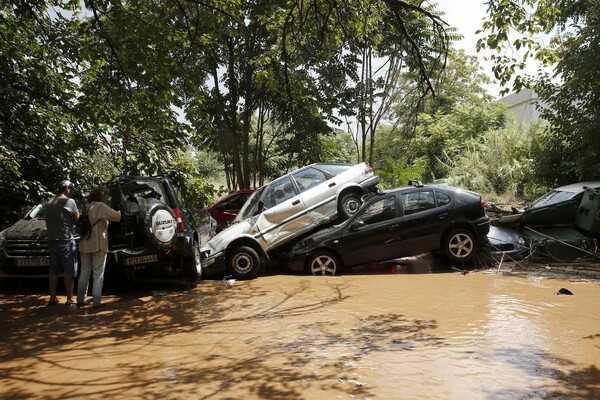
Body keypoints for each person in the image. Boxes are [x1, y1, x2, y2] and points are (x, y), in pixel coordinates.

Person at [77, 185, 121, 309]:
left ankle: (80, 300)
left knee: (84, 272)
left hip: (84, 243)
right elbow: (117, 216)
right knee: (98, 273)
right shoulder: (101, 206)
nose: (107, 197)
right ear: (102, 195)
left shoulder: (86, 207)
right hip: (98, 243)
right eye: (106, 195)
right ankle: (96, 302)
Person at [45, 180, 79, 306]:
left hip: (52, 241)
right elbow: (78, 220)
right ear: (66, 188)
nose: (71, 192)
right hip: (65, 241)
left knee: (53, 271)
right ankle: (70, 299)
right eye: (71, 189)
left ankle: (52, 298)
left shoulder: (49, 202)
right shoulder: (69, 202)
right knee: (69, 270)